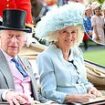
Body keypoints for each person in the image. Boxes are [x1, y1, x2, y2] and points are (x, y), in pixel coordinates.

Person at [35, 2, 102, 104]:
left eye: (73, 32)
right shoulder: (46, 57)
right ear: (56, 34)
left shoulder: (77, 52)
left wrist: (90, 89)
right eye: (64, 32)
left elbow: (83, 82)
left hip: (87, 101)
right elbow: (48, 92)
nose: (70, 36)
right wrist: (74, 98)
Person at [0, 9, 54, 105]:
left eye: (18, 36)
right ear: (1, 37)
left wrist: (50, 103)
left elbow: (35, 94)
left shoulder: (25, 62)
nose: (14, 41)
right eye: (9, 36)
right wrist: (5, 94)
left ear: (24, 40)